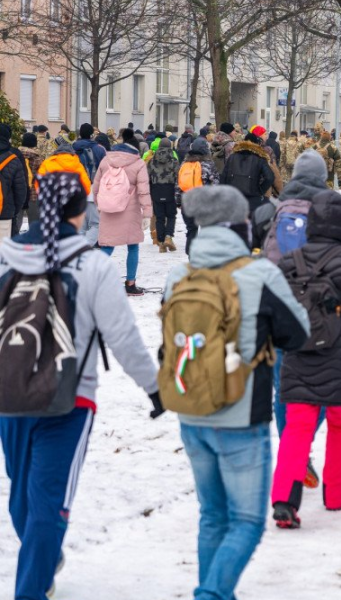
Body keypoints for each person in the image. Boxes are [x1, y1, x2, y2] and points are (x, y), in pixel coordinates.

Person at [0, 172, 164, 600]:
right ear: (81, 212)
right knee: (47, 504)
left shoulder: (5, 258)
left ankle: (39, 563)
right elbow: (123, 336)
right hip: (69, 400)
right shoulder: (93, 266)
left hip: (9, 393)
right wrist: (154, 389)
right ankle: (38, 571)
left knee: (22, 496)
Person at [166, 185, 309, 600]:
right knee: (246, 522)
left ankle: (214, 591)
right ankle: (210, 595)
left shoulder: (179, 275)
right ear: (238, 224)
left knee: (212, 517)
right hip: (242, 416)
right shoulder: (259, 272)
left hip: (190, 410)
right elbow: (297, 334)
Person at [271, 190, 341, 528]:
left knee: (297, 427)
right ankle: (339, 492)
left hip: (299, 353)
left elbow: (278, 310)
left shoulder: (289, 262)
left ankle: (285, 499)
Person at [93, 128, 151, 295]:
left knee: (107, 246)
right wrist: (146, 213)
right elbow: (143, 191)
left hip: (108, 210)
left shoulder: (106, 161)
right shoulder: (138, 163)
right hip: (131, 211)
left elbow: (96, 187)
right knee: (133, 246)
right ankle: (130, 284)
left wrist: (101, 204)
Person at [176, 136, 220, 255]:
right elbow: (215, 184)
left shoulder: (184, 164)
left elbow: (178, 185)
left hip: (187, 202)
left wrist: (179, 202)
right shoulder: (208, 164)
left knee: (191, 230)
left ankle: (191, 255)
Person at [221, 132, 278, 218]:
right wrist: (260, 191)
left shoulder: (232, 157)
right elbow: (270, 177)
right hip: (253, 200)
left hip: (234, 199)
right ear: (256, 143)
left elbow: (223, 177)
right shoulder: (260, 158)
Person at [147, 136, 180, 253]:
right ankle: (168, 237)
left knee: (159, 217)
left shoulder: (152, 161)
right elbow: (178, 177)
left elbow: (147, 177)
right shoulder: (174, 161)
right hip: (170, 190)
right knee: (171, 215)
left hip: (156, 190)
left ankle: (161, 243)